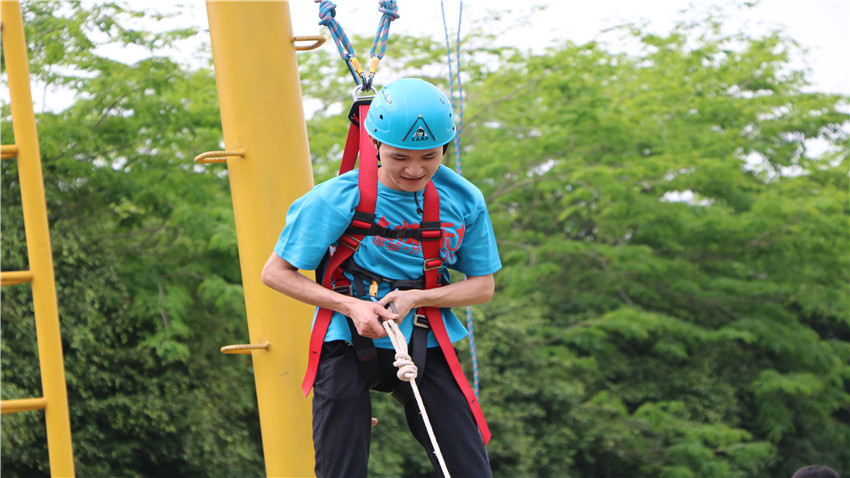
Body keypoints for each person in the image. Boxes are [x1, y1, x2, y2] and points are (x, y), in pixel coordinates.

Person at [261, 78, 500, 478]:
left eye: (429, 156)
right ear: (374, 145)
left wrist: (415, 299)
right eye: (399, 157)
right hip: (345, 337)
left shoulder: (463, 200)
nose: (414, 169)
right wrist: (351, 306)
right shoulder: (336, 198)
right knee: (341, 465)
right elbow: (276, 274)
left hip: (423, 335)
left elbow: (482, 286)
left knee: (468, 463)